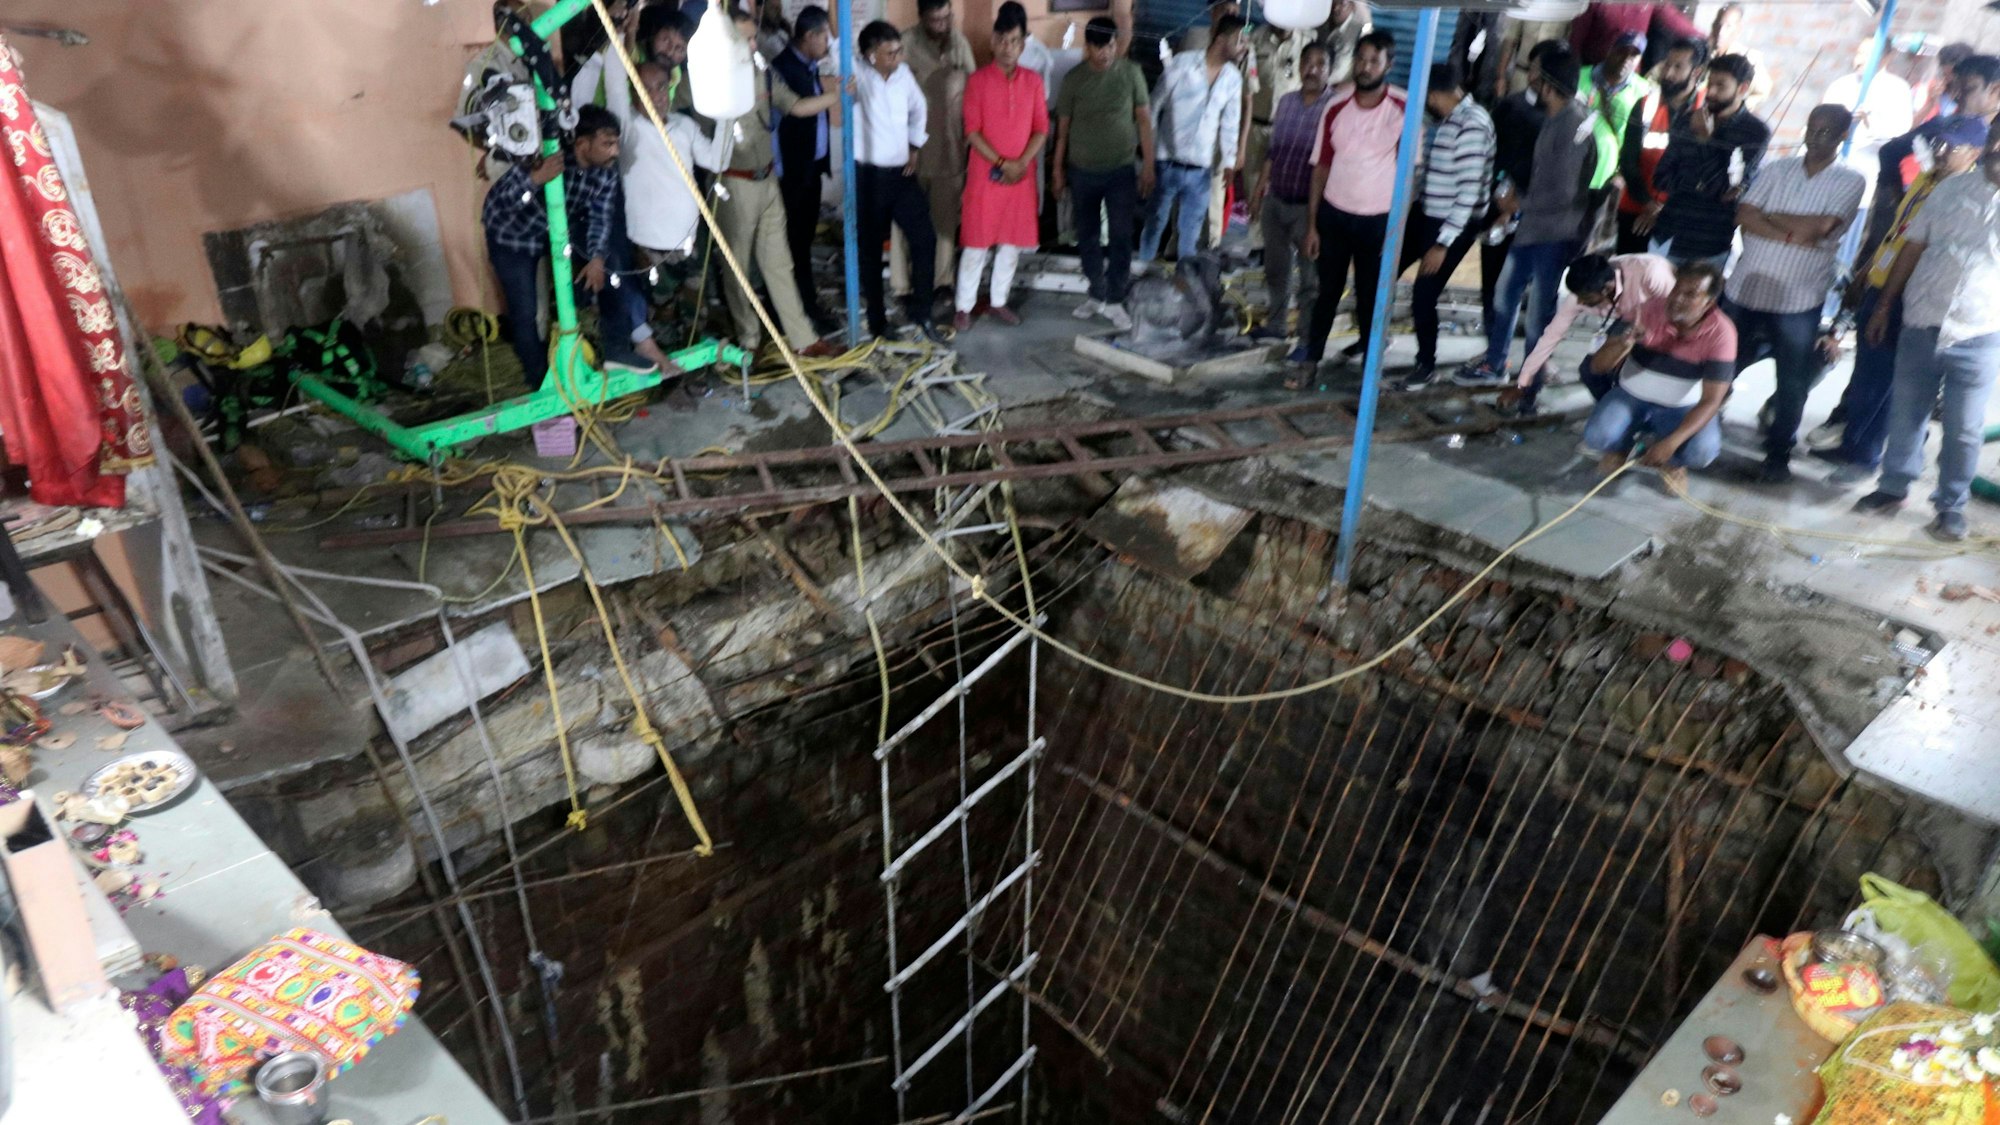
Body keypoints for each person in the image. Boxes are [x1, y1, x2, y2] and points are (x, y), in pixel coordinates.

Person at [1814, 116, 1989, 483]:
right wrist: (1865, 275)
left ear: (1975, 153)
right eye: (1938, 144)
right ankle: (1853, 444)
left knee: (1885, 384)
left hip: (1909, 296)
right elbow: (1896, 236)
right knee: (1866, 376)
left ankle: (1864, 457)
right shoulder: (1927, 180)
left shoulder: (1964, 195)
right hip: (1882, 282)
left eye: (1951, 148)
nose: (1940, 153)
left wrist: (1887, 301)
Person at [1853, 122, 2000, 542]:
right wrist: (1885, 306)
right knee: (1906, 412)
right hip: (1922, 320)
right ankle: (1892, 488)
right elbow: (1912, 246)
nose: (1998, 148)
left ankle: (1950, 506)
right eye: (1995, 139)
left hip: (1981, 332)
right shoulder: (1948, 190)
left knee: (1965, 428)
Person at [1721, 104, 1866, 483]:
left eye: (1824, 132)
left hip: (1797, 297)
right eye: (1811, 128)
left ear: (1841, 137)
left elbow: (1820, 229)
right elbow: (1743, 216)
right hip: (1746, 286)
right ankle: (1700, 427)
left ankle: (1778, 451)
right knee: (1721, 364)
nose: (1814, 137)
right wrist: (1792, 233)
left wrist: (1771, 220)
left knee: (1792, 380)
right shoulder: (1776, 168)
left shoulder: (1850, 180)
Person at [481, 106, 673, 391]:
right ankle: (542, 384)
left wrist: (596, 257)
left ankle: (617, 349)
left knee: (611, 264)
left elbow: (600, 218)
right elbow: (498, 202)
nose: (616, 152)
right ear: (583, 144)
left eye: (617, 143)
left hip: (554, 232)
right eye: (608, 144)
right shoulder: (546, 156)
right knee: (526, 312)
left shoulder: (604, 173)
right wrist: (534, 179)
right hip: (513, 238)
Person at [694, 9, 843, 359]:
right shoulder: (706, 79)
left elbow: (795, 106)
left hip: (767, 181)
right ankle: (749, 340)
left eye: (753, 37)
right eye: (744, 38)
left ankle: (803, 339)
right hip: (735, 184)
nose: (752, 44)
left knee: (780, 263)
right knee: (738, 268)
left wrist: (837, 96)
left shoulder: (762, 72)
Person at [1455, 46, 1598, 398]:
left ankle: (1528, 388)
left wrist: (1520, 202)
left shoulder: (1572, 126)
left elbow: (1564, 193)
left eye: (1535, 71)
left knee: (1538, 315)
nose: (1529, 76)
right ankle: (1495, 363)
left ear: (1547, 82)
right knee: (1505, 296)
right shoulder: (1554, 116)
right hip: (1530, 228)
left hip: (1552, 234)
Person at [1292, 30, 1404, 384]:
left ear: (1389, 65)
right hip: (1335, 216)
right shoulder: (1335, 107)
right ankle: (1310, 361)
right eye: (1361, 59)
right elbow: (1320, 167)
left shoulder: (1402, 108)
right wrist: (1312, 224)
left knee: (1371, 296)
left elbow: (1408, 175)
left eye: (1374, 61)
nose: (1366, 67)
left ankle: (1371, 370)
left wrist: (1398, 230)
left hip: (1378, 222)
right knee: (1327, 292)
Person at [1580, 261, 1738, 491]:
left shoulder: (1722, 334)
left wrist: (1671, 445)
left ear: (1709, 303)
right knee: (1597, 436)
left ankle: (1674, 463)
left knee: (1702, 452)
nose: (1677, 299)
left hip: (1682, 408)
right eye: (1676, 289)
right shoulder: (1645, 310)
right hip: (1631, 397)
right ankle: (1620, 449)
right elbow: (1597, 367)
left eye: (1690, 294)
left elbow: (1712, 401)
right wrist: (1624, 344)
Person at [1397, 63, 1495, 389]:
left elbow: (1468, 194)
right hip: (1429, 214)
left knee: (1424, 294)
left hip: (1450, 226)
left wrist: (1442, 244)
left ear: (1437, 95)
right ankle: (1372, 341)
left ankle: (1425, 365)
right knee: (1385, 271)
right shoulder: (1452, 120)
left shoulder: (1472, 125)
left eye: (1428, 98)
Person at [1054, 16, 1154, 333]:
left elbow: (1144, 122)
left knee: (1122, 237)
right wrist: (1057, 170)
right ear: (1088, 47)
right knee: (1087, 236)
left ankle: (1114, 298)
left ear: (1116, 44)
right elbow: (1063, 130)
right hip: (1082, 172)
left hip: (1121, 171)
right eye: (1098, 48)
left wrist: (1148, 165)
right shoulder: (1074, 79)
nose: (1105, 54)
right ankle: (1096, 293)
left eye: (1110, 46)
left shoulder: (1131, 74)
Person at [852, 20, 948, 344]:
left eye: (898, 51)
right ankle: (878, 322)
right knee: (869, 252)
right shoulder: (857, 75)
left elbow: (920, 108)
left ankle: (922, 312)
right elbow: (837, 41)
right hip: (869, 178)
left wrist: (914, 145)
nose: (897, 57)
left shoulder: (903, 75)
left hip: (902, 175)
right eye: (889, 53)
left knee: (925, 239)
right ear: (870, 56)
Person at [952, 19, 1049, 330]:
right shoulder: (977, 81)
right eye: (1003, 40)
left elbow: (1041, 129)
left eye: (1015, 41)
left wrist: (1020, 163)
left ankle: (998, 302)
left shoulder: (1033, 81)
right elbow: (972, 132)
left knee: (1010, 246)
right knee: (976, 245)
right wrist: (1003, 163)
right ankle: (963, 307)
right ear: (993, 43)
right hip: (986, 176)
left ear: (1023, 45)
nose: (1009, 47)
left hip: (1020, 177)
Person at [1642, 53, 1770, 268]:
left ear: (1742, 88)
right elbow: (1661, 178)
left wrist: (1704, 141)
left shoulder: (1754, 132)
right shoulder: (1687, 121)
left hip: (1709, 245)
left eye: (1721, 86)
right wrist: (1703, 185)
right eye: (1710, 83)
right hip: (1668, 233)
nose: (1710, 92)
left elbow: (1728, 190)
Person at [1247, 43, 1337, 344]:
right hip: (1277, 199)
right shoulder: (1285, 102)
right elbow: (1274, 150)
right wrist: (1260, 189)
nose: (1312, 69)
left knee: (1310, 279)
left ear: (1330, 70)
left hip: (1309, 208)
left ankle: (1306, 339)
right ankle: (1276, 326)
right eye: (1307, 62)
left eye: (1320, 63)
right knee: (1275, 269)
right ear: (1299, 66)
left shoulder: (1335, 108)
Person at [1139, 14, 1245, 266]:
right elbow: (1154, 106)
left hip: (1201, 170)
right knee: (1154, 223)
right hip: (1166, 163)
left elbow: (1230, 124)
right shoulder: (1182, 64)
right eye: (1239, 41)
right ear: (1221, 40)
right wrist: (1148, 158)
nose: (1244, 47)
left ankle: (1183, 288)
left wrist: (1229, 161)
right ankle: (1141, 275)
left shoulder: (1233, 79)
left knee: (1190, 235)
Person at [1509, 251, 1678, 403]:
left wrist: (1640, 346)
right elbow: (1550, 337)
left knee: (1636, 369)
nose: (1581, 303)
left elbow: (1676, 314)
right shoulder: (1579, 296)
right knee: (1591, 371)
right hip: (1630, 318)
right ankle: (1611, 409)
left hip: (1664, 317)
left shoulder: (1650, 272)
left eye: (1586, 298)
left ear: (1607, 289)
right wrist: (1522, 384)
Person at [894, 0, 976, 308]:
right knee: (903, 224)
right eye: (935, 20)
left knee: (944, 223)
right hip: (909, 154)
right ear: (922, 18)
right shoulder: (904, 44)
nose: (942, 25)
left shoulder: (959, 43)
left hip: (951, 151)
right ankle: (902, 286)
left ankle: (943, 282)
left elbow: (974, 93)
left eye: (946, 18)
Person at [1869, 55, 2000, 247]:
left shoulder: (1992, 140)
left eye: (1968, 89)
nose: (1958, 96)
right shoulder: (1944, 126)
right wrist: (1898, 202)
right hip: (1917, 232)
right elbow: (1889, 152)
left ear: (1996, 90)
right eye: (1957, 88)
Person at [770, 5, 839, 334]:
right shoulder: (782, 68)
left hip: (810, 171)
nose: (828, 41)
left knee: (802, 240)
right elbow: (777, 125)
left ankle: (803, 305)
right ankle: (798, 311)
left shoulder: (809, 66)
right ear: (809, 36)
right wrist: (781, 173)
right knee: (794, 243)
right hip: (793, 176)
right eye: (824, 35)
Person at [1484, 39, 1559, 320]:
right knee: (1492, 280)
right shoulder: (1509, 107)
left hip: (1536, 215)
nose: (1541, 77)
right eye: (1538, 69)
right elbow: (1494, 156)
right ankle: (1492, 349)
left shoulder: (1563, 117)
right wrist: (1502, 194)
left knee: (1522, 284)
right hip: (1501, 206)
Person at [1617, 36, 1704, 254]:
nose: (1668, 73)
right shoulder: (1646, 104)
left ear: (1696, 73)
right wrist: (1649, 205)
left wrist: (1664, 210)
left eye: (1678, 67)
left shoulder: (1706, 112)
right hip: (1636, 210)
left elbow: (1701, 172)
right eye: (1667, 64)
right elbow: (1628, 161)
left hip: (1680, 218)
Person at [1824, 40, 1915, 172]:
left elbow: (1900, 131)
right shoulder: (1840, 85)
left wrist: (1869, 123)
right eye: (1859, 53)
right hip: (1833, 160)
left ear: (1886, 58)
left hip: (1867, 164)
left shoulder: (1897, 89)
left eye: (1868, 55)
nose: (1860, 60)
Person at [1578, 30, 1649, 192]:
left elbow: (1639, 140)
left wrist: (1625, 174)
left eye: (1633, 56)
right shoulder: (1580, 76)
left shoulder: (1643, 91)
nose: (1626, 60)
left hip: (1605, 177)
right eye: (1622, 52)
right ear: (1611, 50)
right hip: (1569, 164)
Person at [1566, 2, 1696, 69]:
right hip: (1593, 71)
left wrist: (1702, 36)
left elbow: (1672, 18)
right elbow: (1576, 40)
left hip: (1629, 77)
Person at [1707, 3, 1773, 110]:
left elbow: (1762, 92)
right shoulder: (1704, 53)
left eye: (1728, 26)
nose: (1721, 32)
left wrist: (1737, 107)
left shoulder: (1748, 58)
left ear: (1738, 30)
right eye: (1718, 25)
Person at [1318, 0, 1371, 87]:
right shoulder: (1322, 26)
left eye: (1342, 4)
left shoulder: (1359, 32)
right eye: (1333, 3)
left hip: (1339, 89)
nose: (1336, 8)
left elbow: (1343, 69)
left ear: (1352, 6)